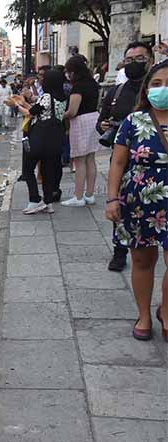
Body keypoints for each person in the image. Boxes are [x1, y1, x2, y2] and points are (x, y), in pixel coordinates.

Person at [105, 60, 168, 341]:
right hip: (139, 202)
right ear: (146, 89)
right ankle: (144, 313)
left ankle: (166, 310)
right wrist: (111, 199)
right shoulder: (133, 121)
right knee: (142, 259)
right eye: (156, 84)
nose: (162, 89)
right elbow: (118, 162)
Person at [99, 41, 155, 271]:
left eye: (140, 59)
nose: (134, 64)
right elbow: (101, 121)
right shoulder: (116, 92)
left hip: (157, 164)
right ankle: (120, 251)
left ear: (151, 60)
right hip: (124, 162)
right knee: (120, 206)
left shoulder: (158, 89)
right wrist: (102, 126)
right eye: (129, 60)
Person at [21, 68, 67, 215]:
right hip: (55, 139)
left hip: (40, 138)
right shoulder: (63, 97)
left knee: (28, 169)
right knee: (48, 171)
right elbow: (40, 110)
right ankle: (48, 202)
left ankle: (34, 199)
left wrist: (17, 104)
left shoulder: (47, 96)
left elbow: (30, 112)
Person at [61, 55, 101, 207]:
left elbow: (72, 111)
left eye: (68, 71)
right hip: (94, 119)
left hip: (81, 122)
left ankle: (78, 197)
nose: (67, 74)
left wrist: (60, 115)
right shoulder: (93, 84)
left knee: (79, 160)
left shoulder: (78, 87)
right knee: (91, 158)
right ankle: (89, 195)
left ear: (73, 71)